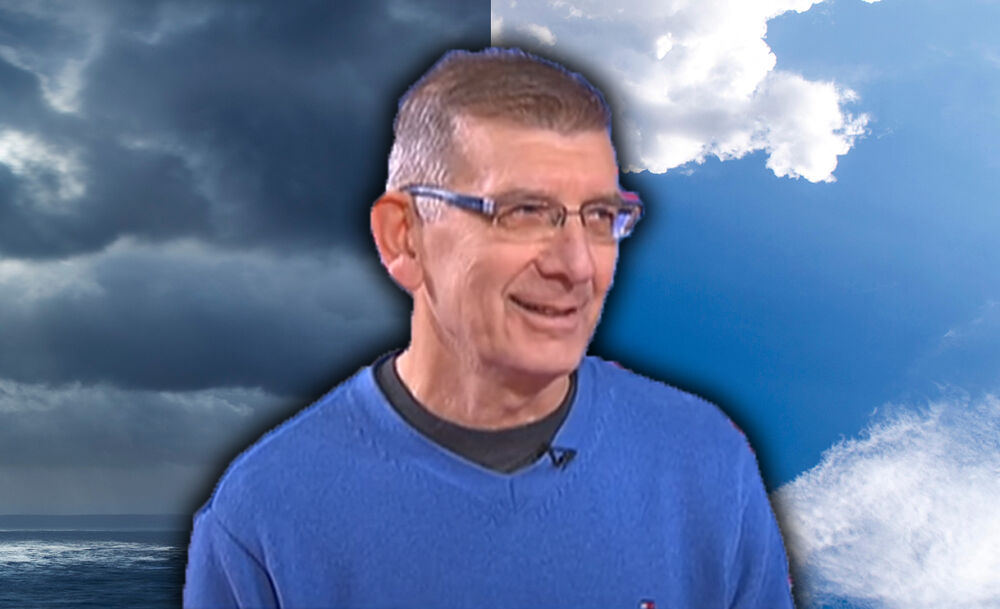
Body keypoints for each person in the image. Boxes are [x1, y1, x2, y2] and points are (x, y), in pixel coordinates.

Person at [184, 47, 794, 609]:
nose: (577, 265)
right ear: (404, 238)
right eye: (525, 211)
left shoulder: (707, 468)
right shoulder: (266, 514)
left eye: (600, 216)